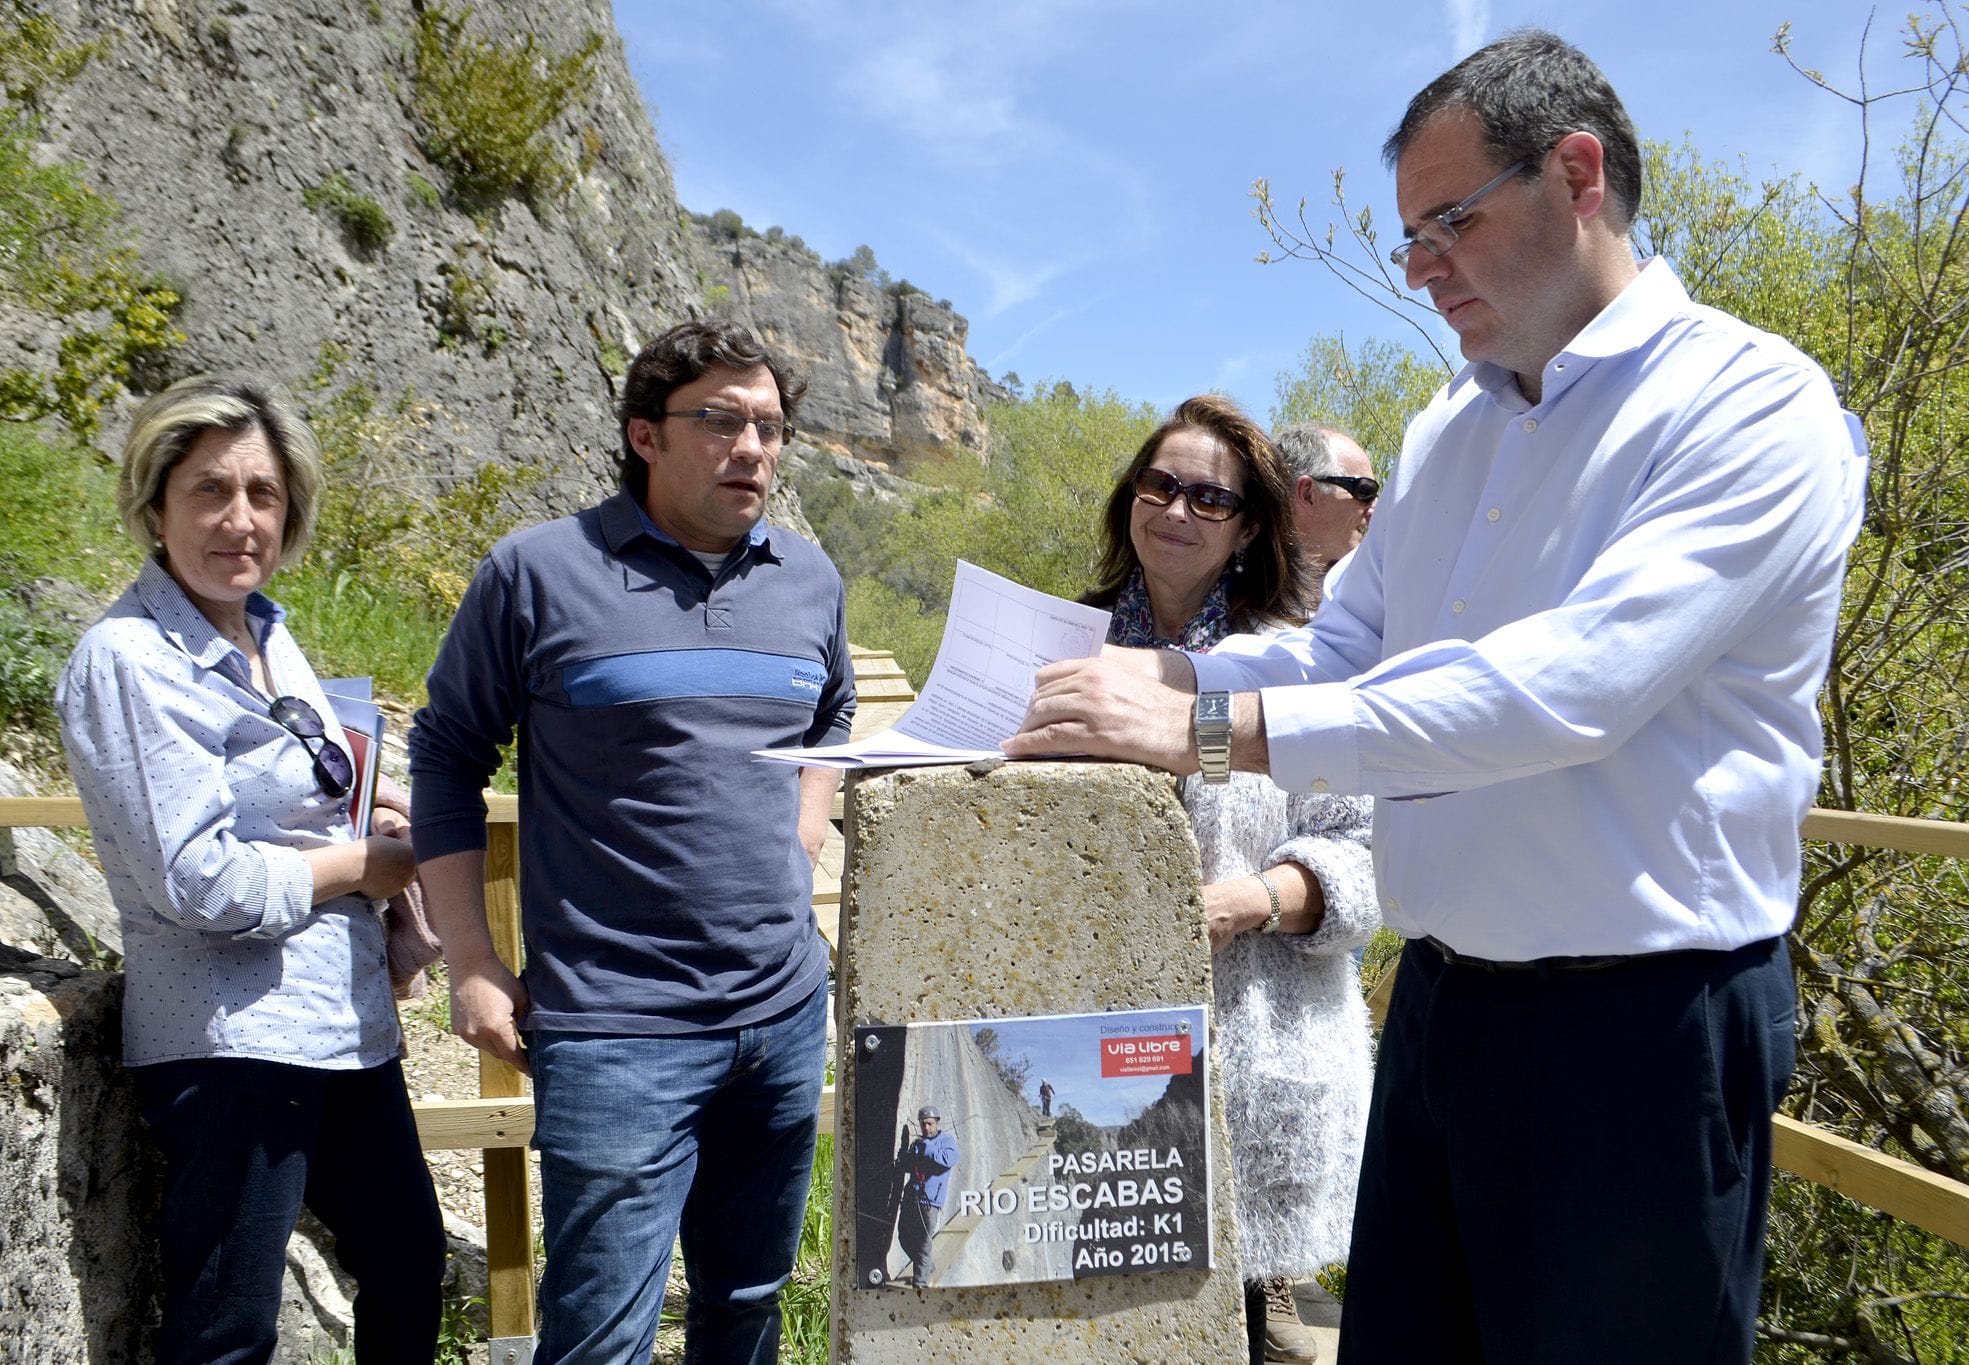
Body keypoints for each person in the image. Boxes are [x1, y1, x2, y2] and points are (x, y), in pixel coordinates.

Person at [1009, 31, 1868, 1365]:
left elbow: (1566, 692)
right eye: (1410, 233)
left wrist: (1204, 728)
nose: (1416, 266)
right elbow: (1343, 645)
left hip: (1643, 1036)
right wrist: (1157, 673)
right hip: (1443, 1007)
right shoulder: (1450, 427)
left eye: (1446, 223)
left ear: (1576, 174)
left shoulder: (1752, 404)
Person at [408, 319, 854, 1364]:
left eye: (771, 426)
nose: (752, 447)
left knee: (746, 1304)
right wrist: (471, 960)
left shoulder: (808, 577)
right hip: (615, 1030)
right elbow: (446, 759)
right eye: (721, 420)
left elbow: (829, 712)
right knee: (600, 1334)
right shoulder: (535, 572)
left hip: (782, 1015)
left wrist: (805, 822)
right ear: (644, 436)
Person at [55, 376, 444, 1364]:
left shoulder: (268, 631)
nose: (240, 520)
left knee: (407, 1263)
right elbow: (199, 884)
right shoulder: (130, 658)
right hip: (232, 1044)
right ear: (153, 505)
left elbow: (297, 791)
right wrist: (361, 861)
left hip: (338, 1025)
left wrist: (372, 808)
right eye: (208, 491)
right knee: (228, 1326)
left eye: (262, 495)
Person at [1080, 394, 1374, 1365]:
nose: (1177, 509)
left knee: (1231, 1339)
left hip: (1250, 1060)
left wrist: (1254, 899)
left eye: (1211, 498)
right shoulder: (1062, 643)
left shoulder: (1298, 659)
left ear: (1249, 526)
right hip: (1081, 1052)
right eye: (1160, 485)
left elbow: (1361, 849)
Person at [1273, 424, 1377, 571]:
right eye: (1365, 490)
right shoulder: (1235, 585)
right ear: (1307, 494)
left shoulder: (1373, 587)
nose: (1375, 509)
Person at [897, 1105, 959, 1288]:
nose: (926, 1128)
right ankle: (927, 1267)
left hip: (930, 1201)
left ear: (937, 1123)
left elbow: (950, 1159)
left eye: (930, 1124)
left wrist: (927, 1147)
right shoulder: (918, 1144)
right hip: (912, 1197)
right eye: (923, 1124)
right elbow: (908, 1166)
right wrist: (906, 1157)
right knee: (905, 1237)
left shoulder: (946, 1141)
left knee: (924, 1243)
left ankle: (920, 1284)